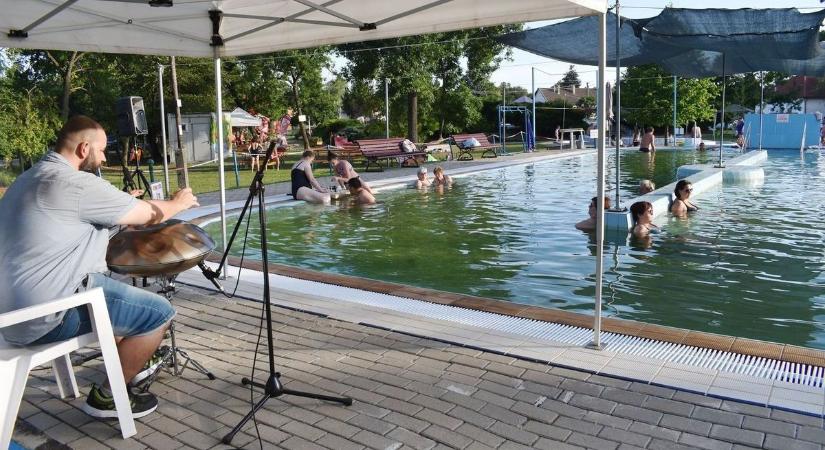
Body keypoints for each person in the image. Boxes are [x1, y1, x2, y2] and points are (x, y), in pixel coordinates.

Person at [0, 116, 199, 419]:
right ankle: (107, 397)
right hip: (44, 317)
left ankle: (133, 362)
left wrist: (117, 204)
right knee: (159, 313)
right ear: (83, 148)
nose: (105, 157)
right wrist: (178, 203)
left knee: (117, 305)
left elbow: (65, 223)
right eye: (103, 150)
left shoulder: (29, 179)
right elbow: (151, 215)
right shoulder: (76, 183)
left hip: (10, 314)